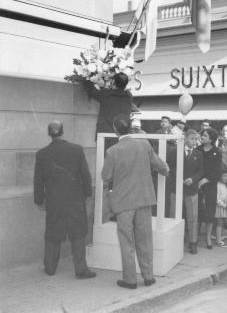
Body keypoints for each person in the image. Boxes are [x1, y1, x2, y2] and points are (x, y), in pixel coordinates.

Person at [102, 114, 169, 289]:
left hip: (123, 202)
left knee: (126, 241)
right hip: (144, 199)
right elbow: (160, 166)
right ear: (131, 128)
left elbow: (106, 176)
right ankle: (148, 277)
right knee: (145, 239)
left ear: (115, 130)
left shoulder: (112, 151)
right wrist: (166, 170)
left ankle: (130, 280)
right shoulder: (144, 144)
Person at [34, 121, 96, 279]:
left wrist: (39, 200)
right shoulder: (76, 149)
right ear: (62, 132)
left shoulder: (41, 154)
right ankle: (81, 270)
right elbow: (85, 174)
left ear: (49, 133)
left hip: (54, 199)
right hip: (75, 197)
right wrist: (88, 193)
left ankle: (50, 267)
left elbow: (38, 181)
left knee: (53, 231)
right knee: (78, 232)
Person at [168, 129, 203, 254]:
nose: (194, 141)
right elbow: (169, 167)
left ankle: (193, 242)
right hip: (176, 188)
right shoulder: (175, 151)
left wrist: (193, 179)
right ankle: (174, 240)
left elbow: (201, 171)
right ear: (185, 138)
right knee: (174, 215)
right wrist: (178, 178)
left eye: (196, 139)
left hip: (191, 189)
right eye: (192, 138)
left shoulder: (198, 154)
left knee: (192, 216)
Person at [197, 128, 222, 249]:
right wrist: (198, 181)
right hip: (196, 185)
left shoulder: (217, 152)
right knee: (197, 210)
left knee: (210, 211)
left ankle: (208, 238)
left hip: (210, 185)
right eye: (202, 135)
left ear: (211, 139)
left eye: (205, 135)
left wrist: (205, 180)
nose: (202, 137)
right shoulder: (197, 150)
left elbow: (217, 171)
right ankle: (194, 237)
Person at [215, 170, 227, 247]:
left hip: (224, 205)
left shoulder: (224, 185)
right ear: (220, 176)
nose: (226, 178)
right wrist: (224, 205)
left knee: (222, 222)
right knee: (219, 223)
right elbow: (217, 199)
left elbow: (225, 196)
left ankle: (220, 236)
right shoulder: (218, 185)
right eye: (224, 176)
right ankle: (218, 240)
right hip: (219, 207)